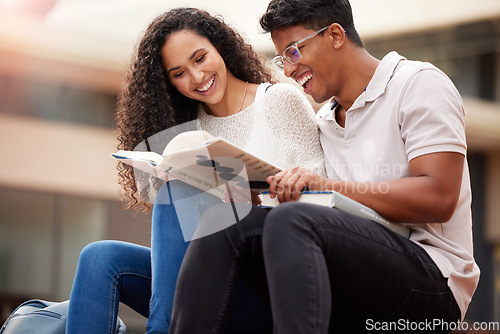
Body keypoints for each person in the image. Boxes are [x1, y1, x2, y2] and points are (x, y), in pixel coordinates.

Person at [168, 0, 480, 333]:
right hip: (351, 270)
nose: (288, 70)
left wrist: (324, 186)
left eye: (294, 52)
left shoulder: (417, 83)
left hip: (433, 283)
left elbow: (438, 198)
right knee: (228, 221)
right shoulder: (324, 124)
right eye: (282, 58)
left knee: (292, 220)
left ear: (334, 35)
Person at [65, 7, 325, 334]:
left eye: (200, 58)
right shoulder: (186, 134)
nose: (197, 77)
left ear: (220, 47)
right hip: (203, 282)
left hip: (267, 282)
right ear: (169, 83)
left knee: (179, 191)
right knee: (100, 257)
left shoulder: (280, 101)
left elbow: (322, 204)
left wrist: (258, 200)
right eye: (179, 73)